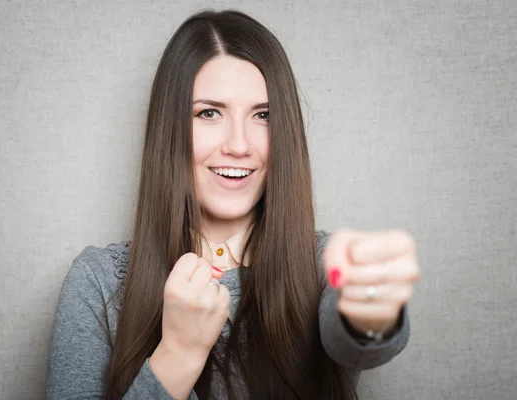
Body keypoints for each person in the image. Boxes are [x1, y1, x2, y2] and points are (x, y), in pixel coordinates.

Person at [46, 9, 421, 400]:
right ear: (170, 129)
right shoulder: (97, 282)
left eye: (263, 115)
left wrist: (370, 313)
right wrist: (178, 353)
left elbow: (356, 338)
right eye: (209, 113)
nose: (239, 145)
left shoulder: (323, 264)